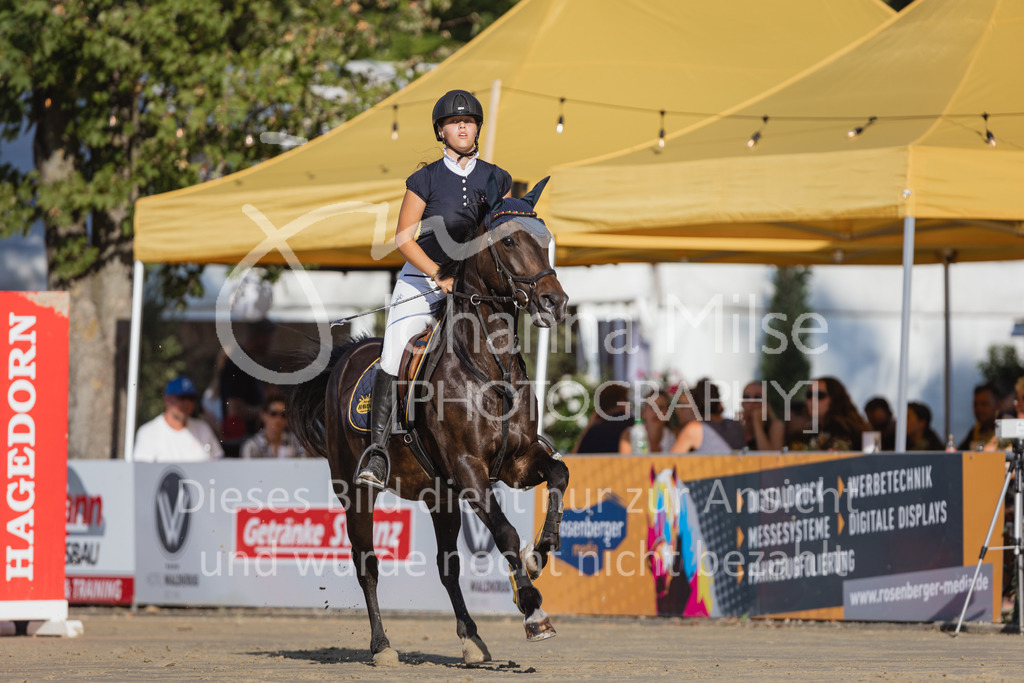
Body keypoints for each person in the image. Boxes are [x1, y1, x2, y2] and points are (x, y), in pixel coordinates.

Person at [357, 89, 513, 487]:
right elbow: (404, 239)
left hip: (473, 289)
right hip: (422, 281)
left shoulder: (497, 178)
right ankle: (377, 453)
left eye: (469, 120)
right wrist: (439, 277)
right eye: (454, 122)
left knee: (503, 347)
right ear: (441, 132)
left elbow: (505, 235)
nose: (463, 126)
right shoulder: (424, 179)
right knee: (394, 353)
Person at [134, 376, 224, 462]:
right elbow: (142, 472)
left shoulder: (203, 428)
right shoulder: (148, 432)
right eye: (181, 397)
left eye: (191, 398)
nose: (187, 403)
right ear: (167, 400)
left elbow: (218, 463)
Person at [787, 376, 869, 451]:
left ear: (835, 400)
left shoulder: (841, 427)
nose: (812, 400)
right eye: (809, 395)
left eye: (819, 395)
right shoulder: (816, 429)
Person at [575, 382, 631, 454]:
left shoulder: (593, 432)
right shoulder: (635, 426)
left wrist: (588, 427)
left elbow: (574, 459)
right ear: (622, 402)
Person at [240, 396, 305, 459]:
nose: (278, 419)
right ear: (263, 415)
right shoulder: (252, 446)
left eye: (283, 415)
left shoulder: (295, 441)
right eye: (273, 413)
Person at [739, 380, 785, 451]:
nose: (751, 402)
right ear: (742, 403)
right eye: (747, 397)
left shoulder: (775, 425)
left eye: (757, 397)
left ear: (766, 404)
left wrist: (757, 424)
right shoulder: (738, 426)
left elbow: (771, 458)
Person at [957, 382, 1000, 451]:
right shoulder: (975, 431)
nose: (979, 409)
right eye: (975, 404)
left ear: (997, 405)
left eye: (984, 404)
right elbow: (959, 453)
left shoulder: (1004, 427)